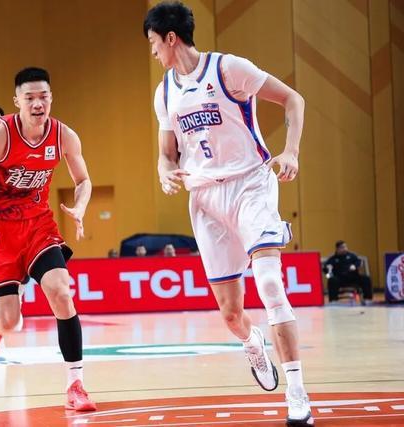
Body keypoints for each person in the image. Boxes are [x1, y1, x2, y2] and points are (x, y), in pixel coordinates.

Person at [144, 2, 312, 426]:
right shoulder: (164, 92)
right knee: (231, 314)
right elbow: (166, 154)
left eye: (153, 43)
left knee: (270, 283)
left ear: (170, 38)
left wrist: (291, 151)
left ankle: (297, 392)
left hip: (251, 183)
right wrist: (165, 172)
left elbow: (293, 99)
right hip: (205, 198)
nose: (153, 52)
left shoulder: (228, 69)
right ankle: (252, 343)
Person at [0, 67, 96, 411]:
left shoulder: (64, 136)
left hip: (37, 225)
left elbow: (83, 180)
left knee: (61, 292)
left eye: (43, 96)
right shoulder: (0, 136)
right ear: (17, 101)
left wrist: (80, 207)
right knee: (8, 320)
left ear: (51, 98)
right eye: (29, 97)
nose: (37, 104)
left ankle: (75, 385)